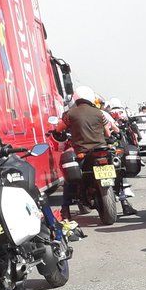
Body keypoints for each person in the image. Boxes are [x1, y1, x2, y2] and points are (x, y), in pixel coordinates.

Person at [52, 85, 119, 220]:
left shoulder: (70, 114)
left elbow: (59, 129)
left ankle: (65, 209)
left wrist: (55, 132)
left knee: (68, 178)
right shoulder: (99, 113)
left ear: (76, 98)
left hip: (82, 152)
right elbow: (107, 132)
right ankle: (123, 198)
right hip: (102, 150)